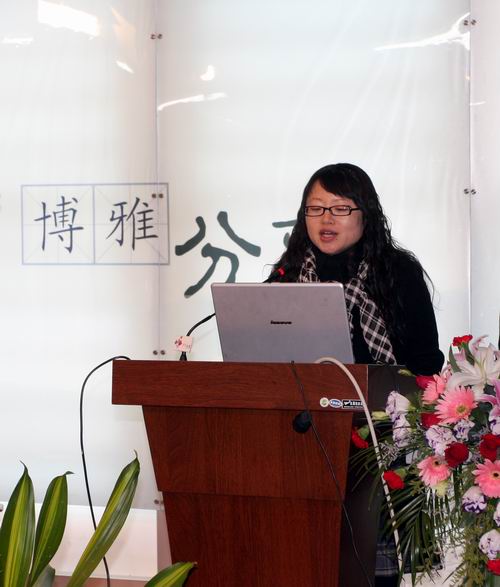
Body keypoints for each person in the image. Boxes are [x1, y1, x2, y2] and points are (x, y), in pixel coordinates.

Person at [267, 162, 444, 376]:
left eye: (341, 208)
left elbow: (427, 363)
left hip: (385, 397)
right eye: (315, 208)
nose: (326, 218)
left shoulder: (399, 272)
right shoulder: (288, 274)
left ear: (366, 215)